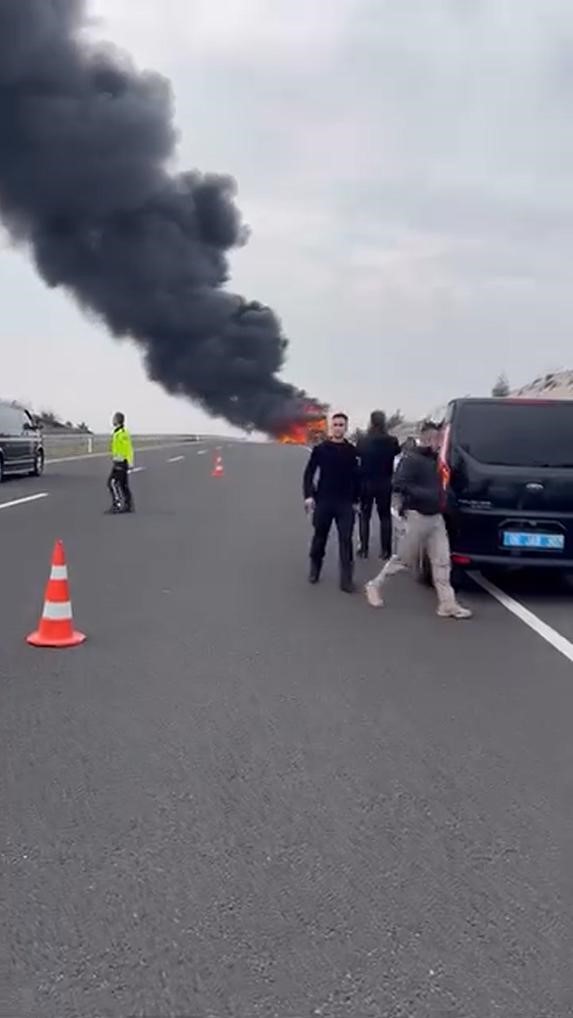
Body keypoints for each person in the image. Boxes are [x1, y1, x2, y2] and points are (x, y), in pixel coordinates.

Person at [364, 421, 472, 619]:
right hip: (418, 516)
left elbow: (446, 484)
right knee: (404, 559)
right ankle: (375, 585)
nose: (442, 443)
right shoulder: (412, 459)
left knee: (442, 562)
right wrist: (426, 495)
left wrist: (445, 498)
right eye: (439, 439)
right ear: (429, 439)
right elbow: (398, 483)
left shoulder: (438, 461)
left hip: (437, 517)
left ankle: (447, 604)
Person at [303, 412, 360, 593]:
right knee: (320, 538)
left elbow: (357, 477)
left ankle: (346, 580)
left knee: (346, 541)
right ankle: (315, 568)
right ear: (330, 427)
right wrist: (309, 496)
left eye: (341, 425)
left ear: (346, 427)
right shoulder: (321, 449)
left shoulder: (352, 451)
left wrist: (356, 500)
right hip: (324, 501)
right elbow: (309, 473)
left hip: (345, 503)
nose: (338, 428)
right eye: (335, 425)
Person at [356, 410, 400, 559]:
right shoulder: (392, 441)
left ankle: (364, 549)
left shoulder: (363, 441)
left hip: (366, 482)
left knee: (364, 516)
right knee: (385, 517)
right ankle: (386, 550)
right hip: (385, 482)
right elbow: (397, 452)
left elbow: (358, 455)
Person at [107, 411, 134, 513]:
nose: (112, 420)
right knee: (123, 485)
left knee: (112, 483)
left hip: (121, 462)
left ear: (118, 420)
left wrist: (130, 462)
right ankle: (128, 505)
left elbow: (128, 448)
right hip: (117, 461)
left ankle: (117, 504)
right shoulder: (117, 432)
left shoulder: (123, 433)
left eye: (114, 419)